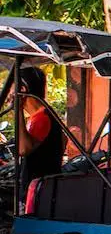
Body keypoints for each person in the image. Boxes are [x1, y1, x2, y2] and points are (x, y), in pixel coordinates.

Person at [16, 67, 64, 201]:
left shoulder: (41, 118)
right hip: (44, 190)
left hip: (39, 194)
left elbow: (23, 149)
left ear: (22, 90)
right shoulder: (45, 114)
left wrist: (17, 110)